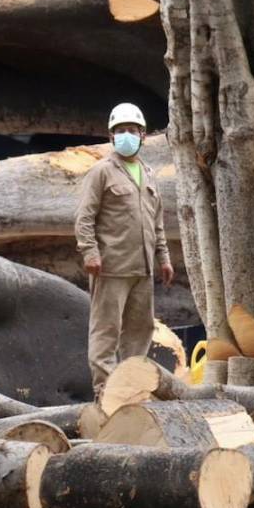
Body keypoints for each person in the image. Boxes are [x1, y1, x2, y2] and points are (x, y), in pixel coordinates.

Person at [75, 103, 174, 395]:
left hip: (142, 270)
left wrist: (164, 259)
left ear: (143, 136)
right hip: (111, 267)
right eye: (121, 131)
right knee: (105, 333)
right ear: (111, 137)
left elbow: (157, 223)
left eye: (132, 130)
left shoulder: (148, 173)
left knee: (140, 333)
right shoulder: (101, 173)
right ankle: (105, 394)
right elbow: (84, 217)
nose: (126, 135)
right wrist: (90, 253)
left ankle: (132, 393)